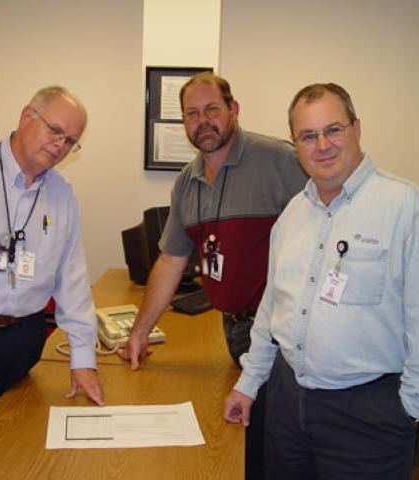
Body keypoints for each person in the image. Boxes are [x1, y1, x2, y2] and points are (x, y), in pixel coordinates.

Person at [224, 82, 419, 479]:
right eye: (308, 136)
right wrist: (249, 384)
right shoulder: (293, 214)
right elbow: (271, 310)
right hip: (288, 404)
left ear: (356, 128)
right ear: (295, 145)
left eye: (333, 130)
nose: (323, 145)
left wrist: (412, 405)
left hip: (368, 413)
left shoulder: (405, 207)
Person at [118, 72, 307, 479]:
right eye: (191, 114)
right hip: (233, 326)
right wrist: (139, 333)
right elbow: (171, 261)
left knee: (274, 443)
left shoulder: (278, 160)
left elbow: (324, 229)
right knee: (243, 430)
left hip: (278, 333)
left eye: (212, 110)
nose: (202, 121)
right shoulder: (187, 183)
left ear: (233, 110)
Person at [0, 86, 104, 454]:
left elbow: (73, 280)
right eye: (55, 131)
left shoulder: (61, 194)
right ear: (26, 116)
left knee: (9, 446)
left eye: (71, 141)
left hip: (23, 343)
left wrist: (84, 360)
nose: (60, 146)